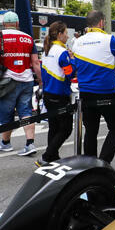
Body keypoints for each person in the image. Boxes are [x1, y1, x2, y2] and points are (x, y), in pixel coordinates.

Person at [68, 10, 115, 163]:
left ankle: (91, 165)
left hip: (85, 93)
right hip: (106, 92)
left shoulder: (77, 42)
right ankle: (104, 162)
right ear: (102, 22)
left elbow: (75, 66)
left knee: (91, 130)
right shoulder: (108, 39)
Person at [0, 11, 42, 156]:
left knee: (6, 113)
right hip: (27, 80)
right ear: (17, 24)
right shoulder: (28, 38)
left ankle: (6, 143)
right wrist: (41, 81)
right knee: (26, 112)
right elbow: (35, 62)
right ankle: (30, 144)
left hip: (7, 81)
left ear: (4, 24)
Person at [38, 21, 75, 165]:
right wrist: (73, 60)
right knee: (66, 129)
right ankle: (47, 156)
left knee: (53, 127)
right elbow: (70, 74)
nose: (67, 36)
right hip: (60, 95)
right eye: (66, 33)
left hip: (48, 94)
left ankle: (53, 157)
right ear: (59, 34)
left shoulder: (48, 49)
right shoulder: (62, 52)